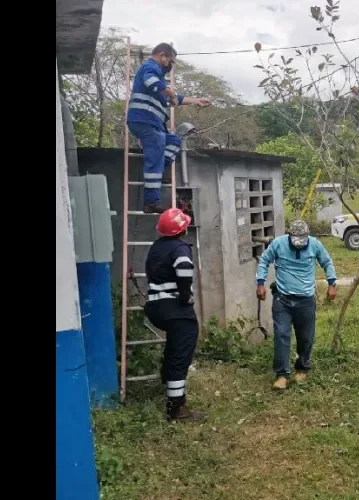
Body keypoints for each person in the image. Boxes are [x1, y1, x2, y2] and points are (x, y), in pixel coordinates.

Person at [127, 42, 211, 214]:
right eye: (170, 61)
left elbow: (173, 98)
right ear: (162, 55)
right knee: (156, 155)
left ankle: (157, 172)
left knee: (174, 141)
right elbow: (154, 84)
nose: (170, 66)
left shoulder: (158, 82)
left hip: (154, 124)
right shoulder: (150, 67)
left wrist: (195, 100)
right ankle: (151, 202)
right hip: (144, 121)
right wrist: (171, 93)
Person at [256, 220, 338, 390]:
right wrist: (260, 283)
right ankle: (281, 375)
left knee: (306, 337)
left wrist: (332, 284)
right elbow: (264, 260)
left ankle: (302, 367)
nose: (299, 245)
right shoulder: (278, 244)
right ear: (290, 236)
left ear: (307, 237)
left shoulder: (315, 244)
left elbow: (327, 262)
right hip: (283, 299)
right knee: (281, 335)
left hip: (306, 299)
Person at [145, 208, 204, 421]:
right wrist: (185, 295)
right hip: (176, 310)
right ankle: (176, 408)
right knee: (181, 354)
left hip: (155, 308)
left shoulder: (156, 247)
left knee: (173, 347)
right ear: (183, 228)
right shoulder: (180, 247)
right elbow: (184, 266)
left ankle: (167, 377)